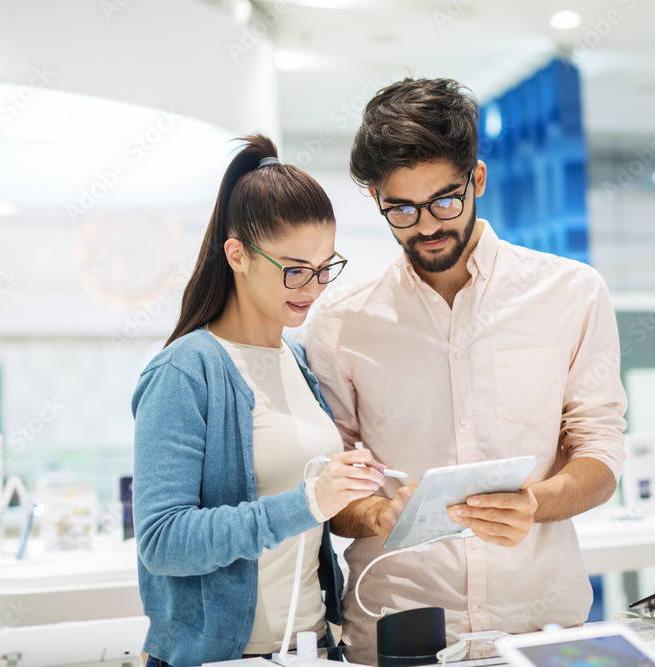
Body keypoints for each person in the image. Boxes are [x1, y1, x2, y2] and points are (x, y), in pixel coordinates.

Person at [302, 78, 628, 644]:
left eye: (444, 201)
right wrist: (377, 515)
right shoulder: (340, 322)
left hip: (539, 626)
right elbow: (332, 489)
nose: (426, 225)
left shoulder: (571, 294)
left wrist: (535, 503)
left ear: (477, 178)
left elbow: (599, 452)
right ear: (377, 200)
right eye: (400, 209)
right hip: (397, 632)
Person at [131, 134, 388, 667]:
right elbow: (162, 541)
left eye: (325, 268)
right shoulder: (186, 370)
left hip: (313, 648)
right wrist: (308, 501)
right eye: (295, 269)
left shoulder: (297, 358)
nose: (313, 288)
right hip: (221, 657)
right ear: (237, 255)